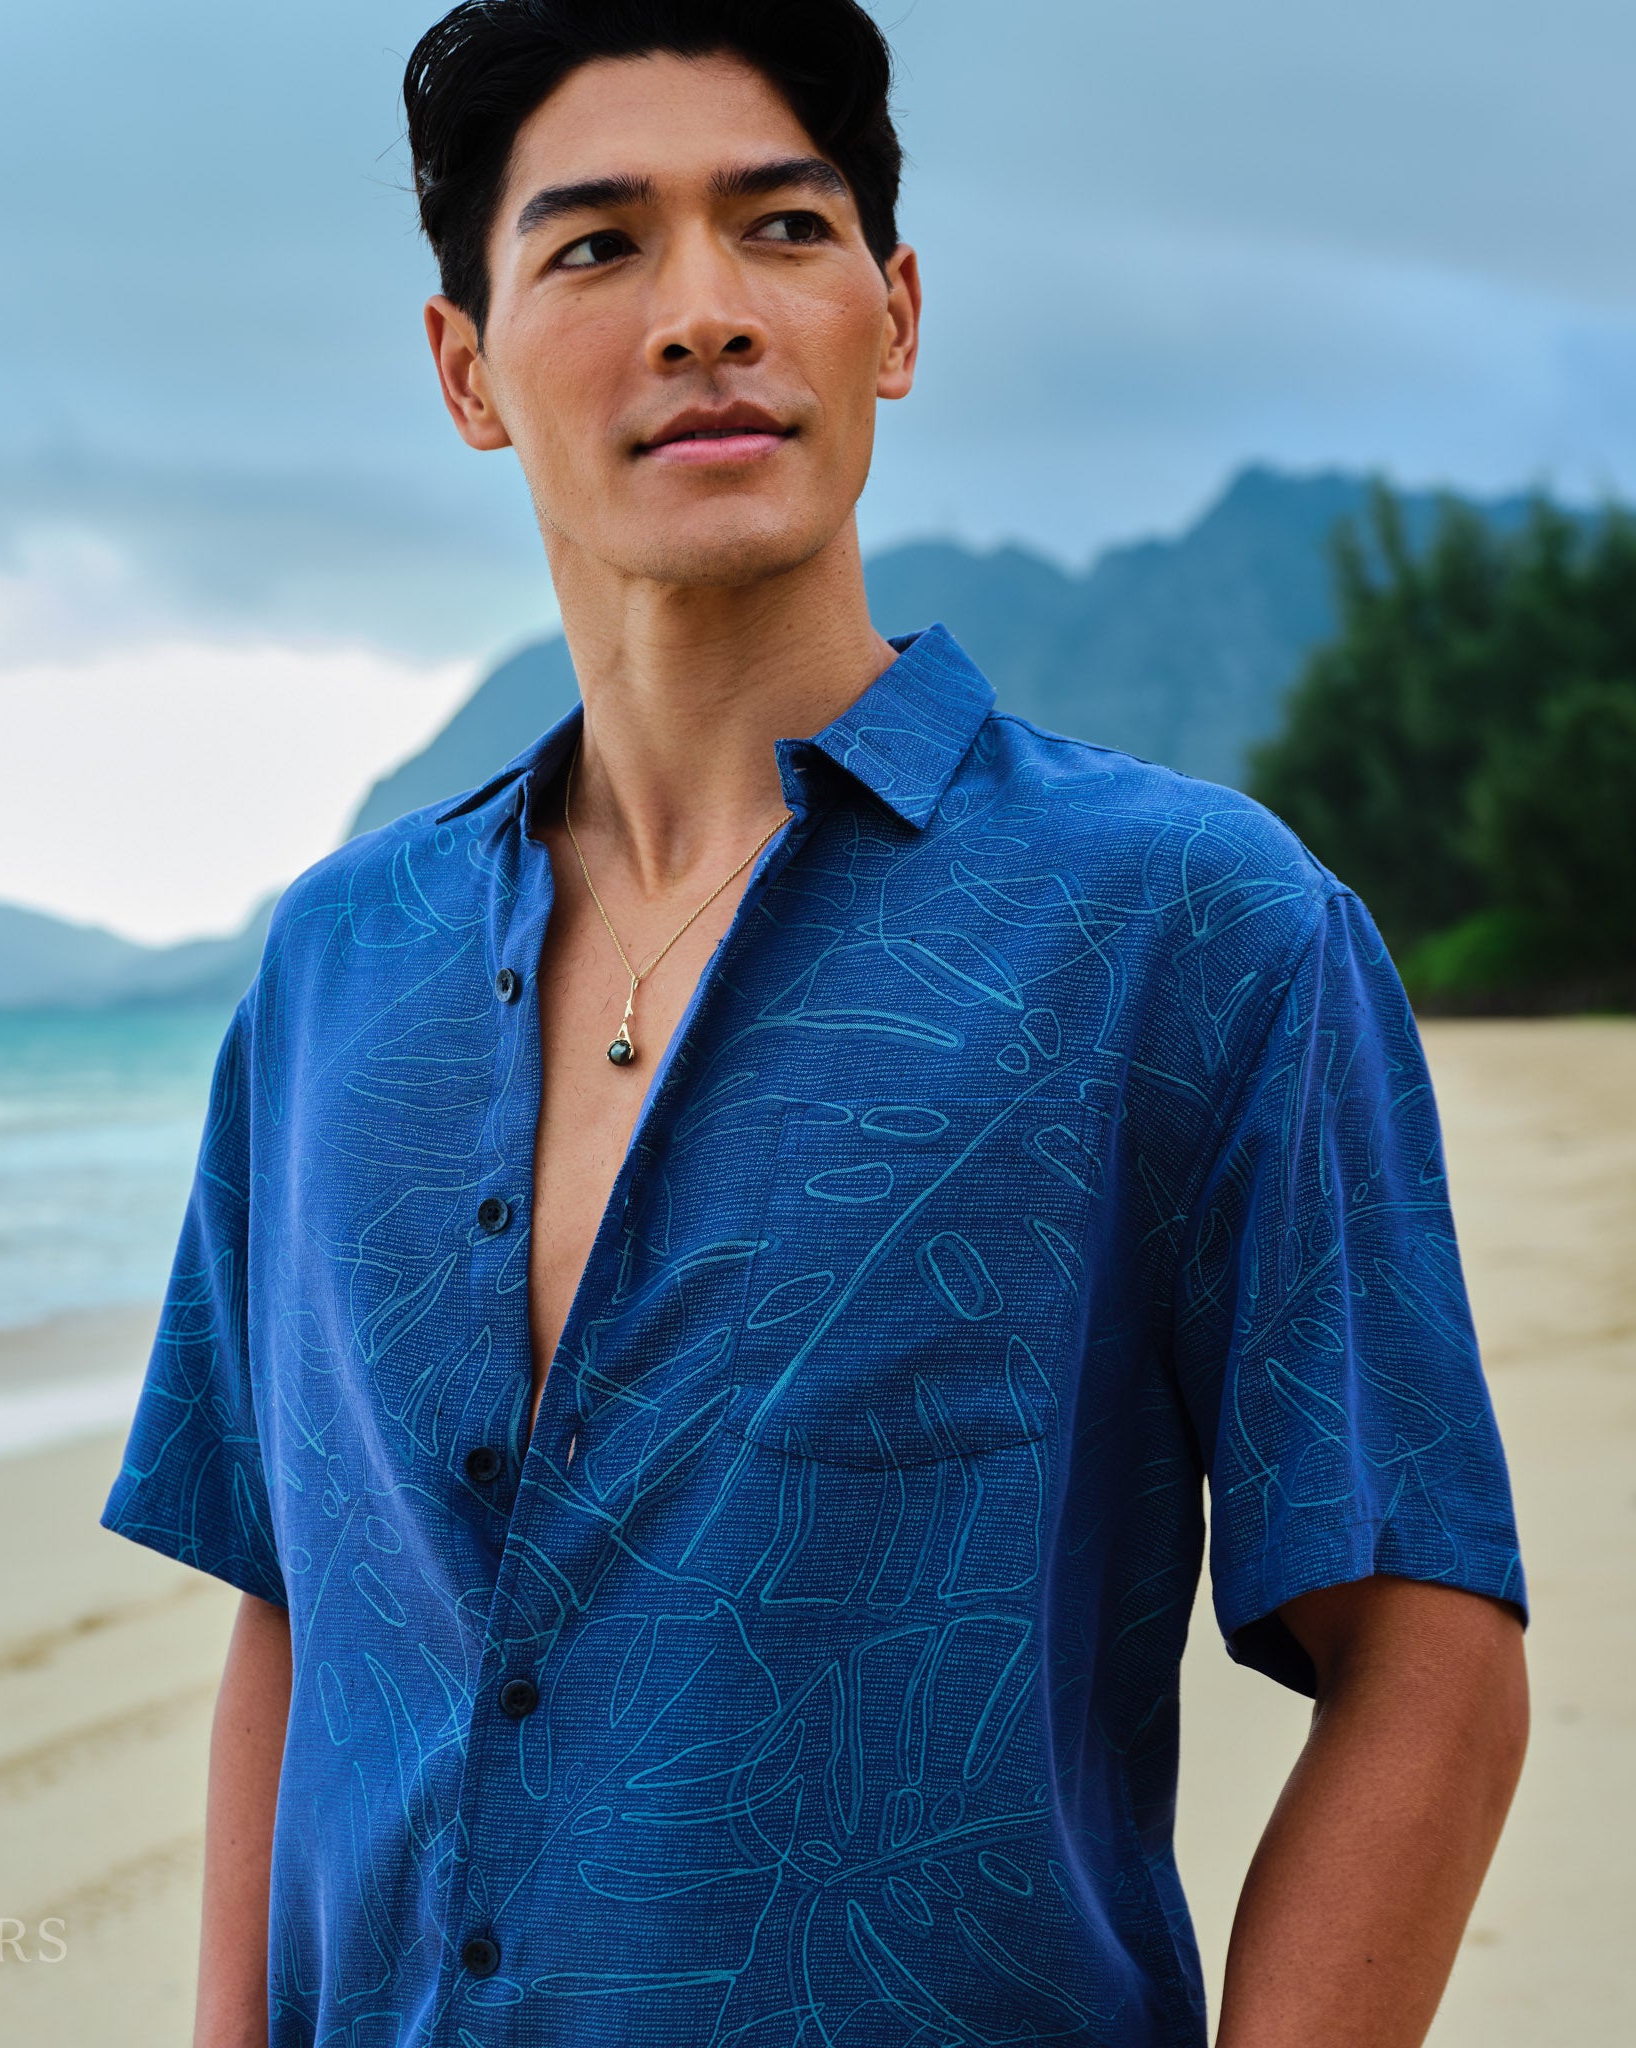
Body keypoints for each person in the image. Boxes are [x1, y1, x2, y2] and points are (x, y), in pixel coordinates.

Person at [99, 4, 1529, 2043]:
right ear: (462, 370)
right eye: (593, 247)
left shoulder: (1185, 924)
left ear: (896, 315)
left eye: (777, 227)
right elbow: (301, 1611)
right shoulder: (337, 963)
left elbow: (1431, 1655)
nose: (701, 311)